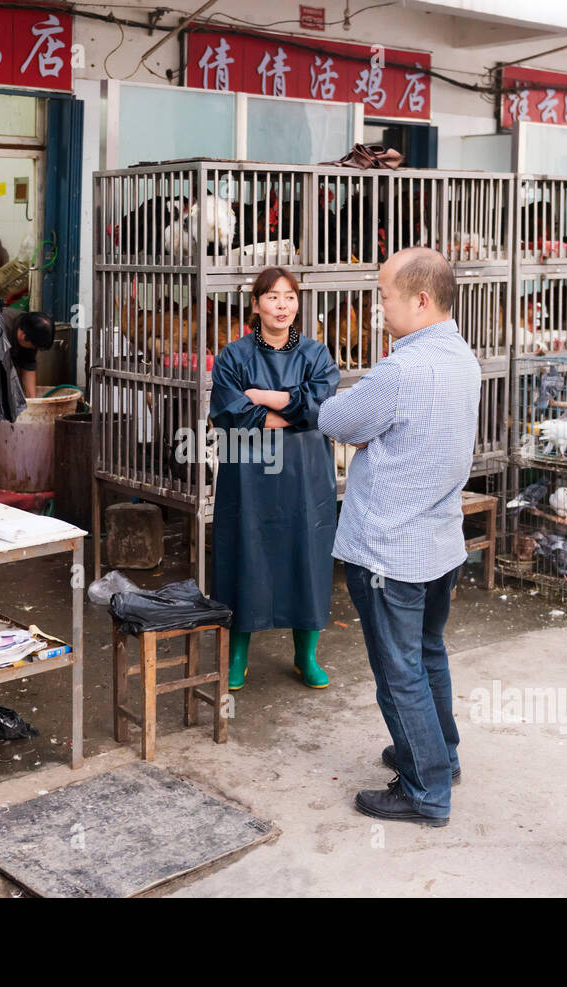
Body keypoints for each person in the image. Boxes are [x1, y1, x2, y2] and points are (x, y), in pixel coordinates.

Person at [317, 247, 480, 827]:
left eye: (384, 294)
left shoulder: (400, 370)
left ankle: (425, 789)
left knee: (398, 671)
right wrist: (377, 434)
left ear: (420, 299)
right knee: (427, 654)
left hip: (389, 547)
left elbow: (336, 419)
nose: (378, 304)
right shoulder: (463, 358)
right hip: (438, 541)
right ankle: (439, 753)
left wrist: (367, 431)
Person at [210, 267, 341, 690]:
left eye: (289, 297)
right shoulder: (234, 355)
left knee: (308, 553)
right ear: (255, 304)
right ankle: (237, 654)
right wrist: (295, 410)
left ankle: (306, 656)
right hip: (248, 472)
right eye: (272, 297)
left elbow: (321, 408)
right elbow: (230, 415)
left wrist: (262, 398)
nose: (281, 305)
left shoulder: (317, 355)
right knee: (245, 553)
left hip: (305, 472)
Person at [0, 308, 55, 398]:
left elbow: (28, 367)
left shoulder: (32, 330)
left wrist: (33, 401)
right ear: (22, 336)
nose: (33, 349)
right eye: (33, 346)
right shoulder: (0, 327)